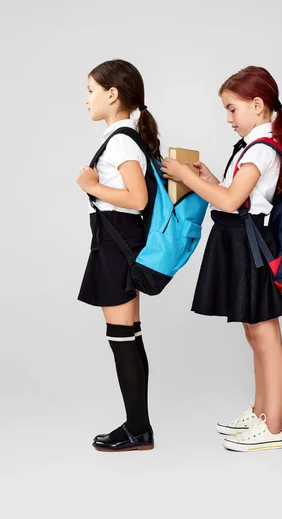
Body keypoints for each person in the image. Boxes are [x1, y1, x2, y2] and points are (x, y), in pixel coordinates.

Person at [161, 66, 282, 452]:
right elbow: (234, 196)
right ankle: (261, 414)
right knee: (255, 333)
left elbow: (230, 201)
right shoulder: (256, 147)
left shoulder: (259, 150)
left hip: (250, 244)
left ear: (257, 105)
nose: (228, 119)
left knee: (265, 335)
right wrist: (207, 178)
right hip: (241, 242)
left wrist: (189, 179)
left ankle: (274, 428)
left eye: (232, 109)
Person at [76, 59, 160, 452]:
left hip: (117, 243)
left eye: (91, 91)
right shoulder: (124, 137)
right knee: (128, 337)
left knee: (123, 338)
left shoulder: (123, 141)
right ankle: (137, 427)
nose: (87, 99)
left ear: (112, 95)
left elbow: (137, 199)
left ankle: (138, 430)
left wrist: (90, 185)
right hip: (118, 241)